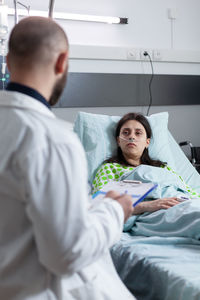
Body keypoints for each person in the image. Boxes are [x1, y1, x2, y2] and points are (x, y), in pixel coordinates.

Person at [0, 17, 136, 300]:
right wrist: (114, 212)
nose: (132, 138)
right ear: (62, 62)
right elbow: (67, 253)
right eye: (126, 132)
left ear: (9, 62)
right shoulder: (53, 139)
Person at [92, 112, 200, 215]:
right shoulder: (109, 168)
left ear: (147, 142)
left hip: (182, 203)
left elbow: (188, 191)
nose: (131, 137)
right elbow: (100, 205)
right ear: (118, 141)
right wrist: (147, 205)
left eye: (138, 133)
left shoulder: (162, 167)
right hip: (154, 213)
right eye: (126, 132)